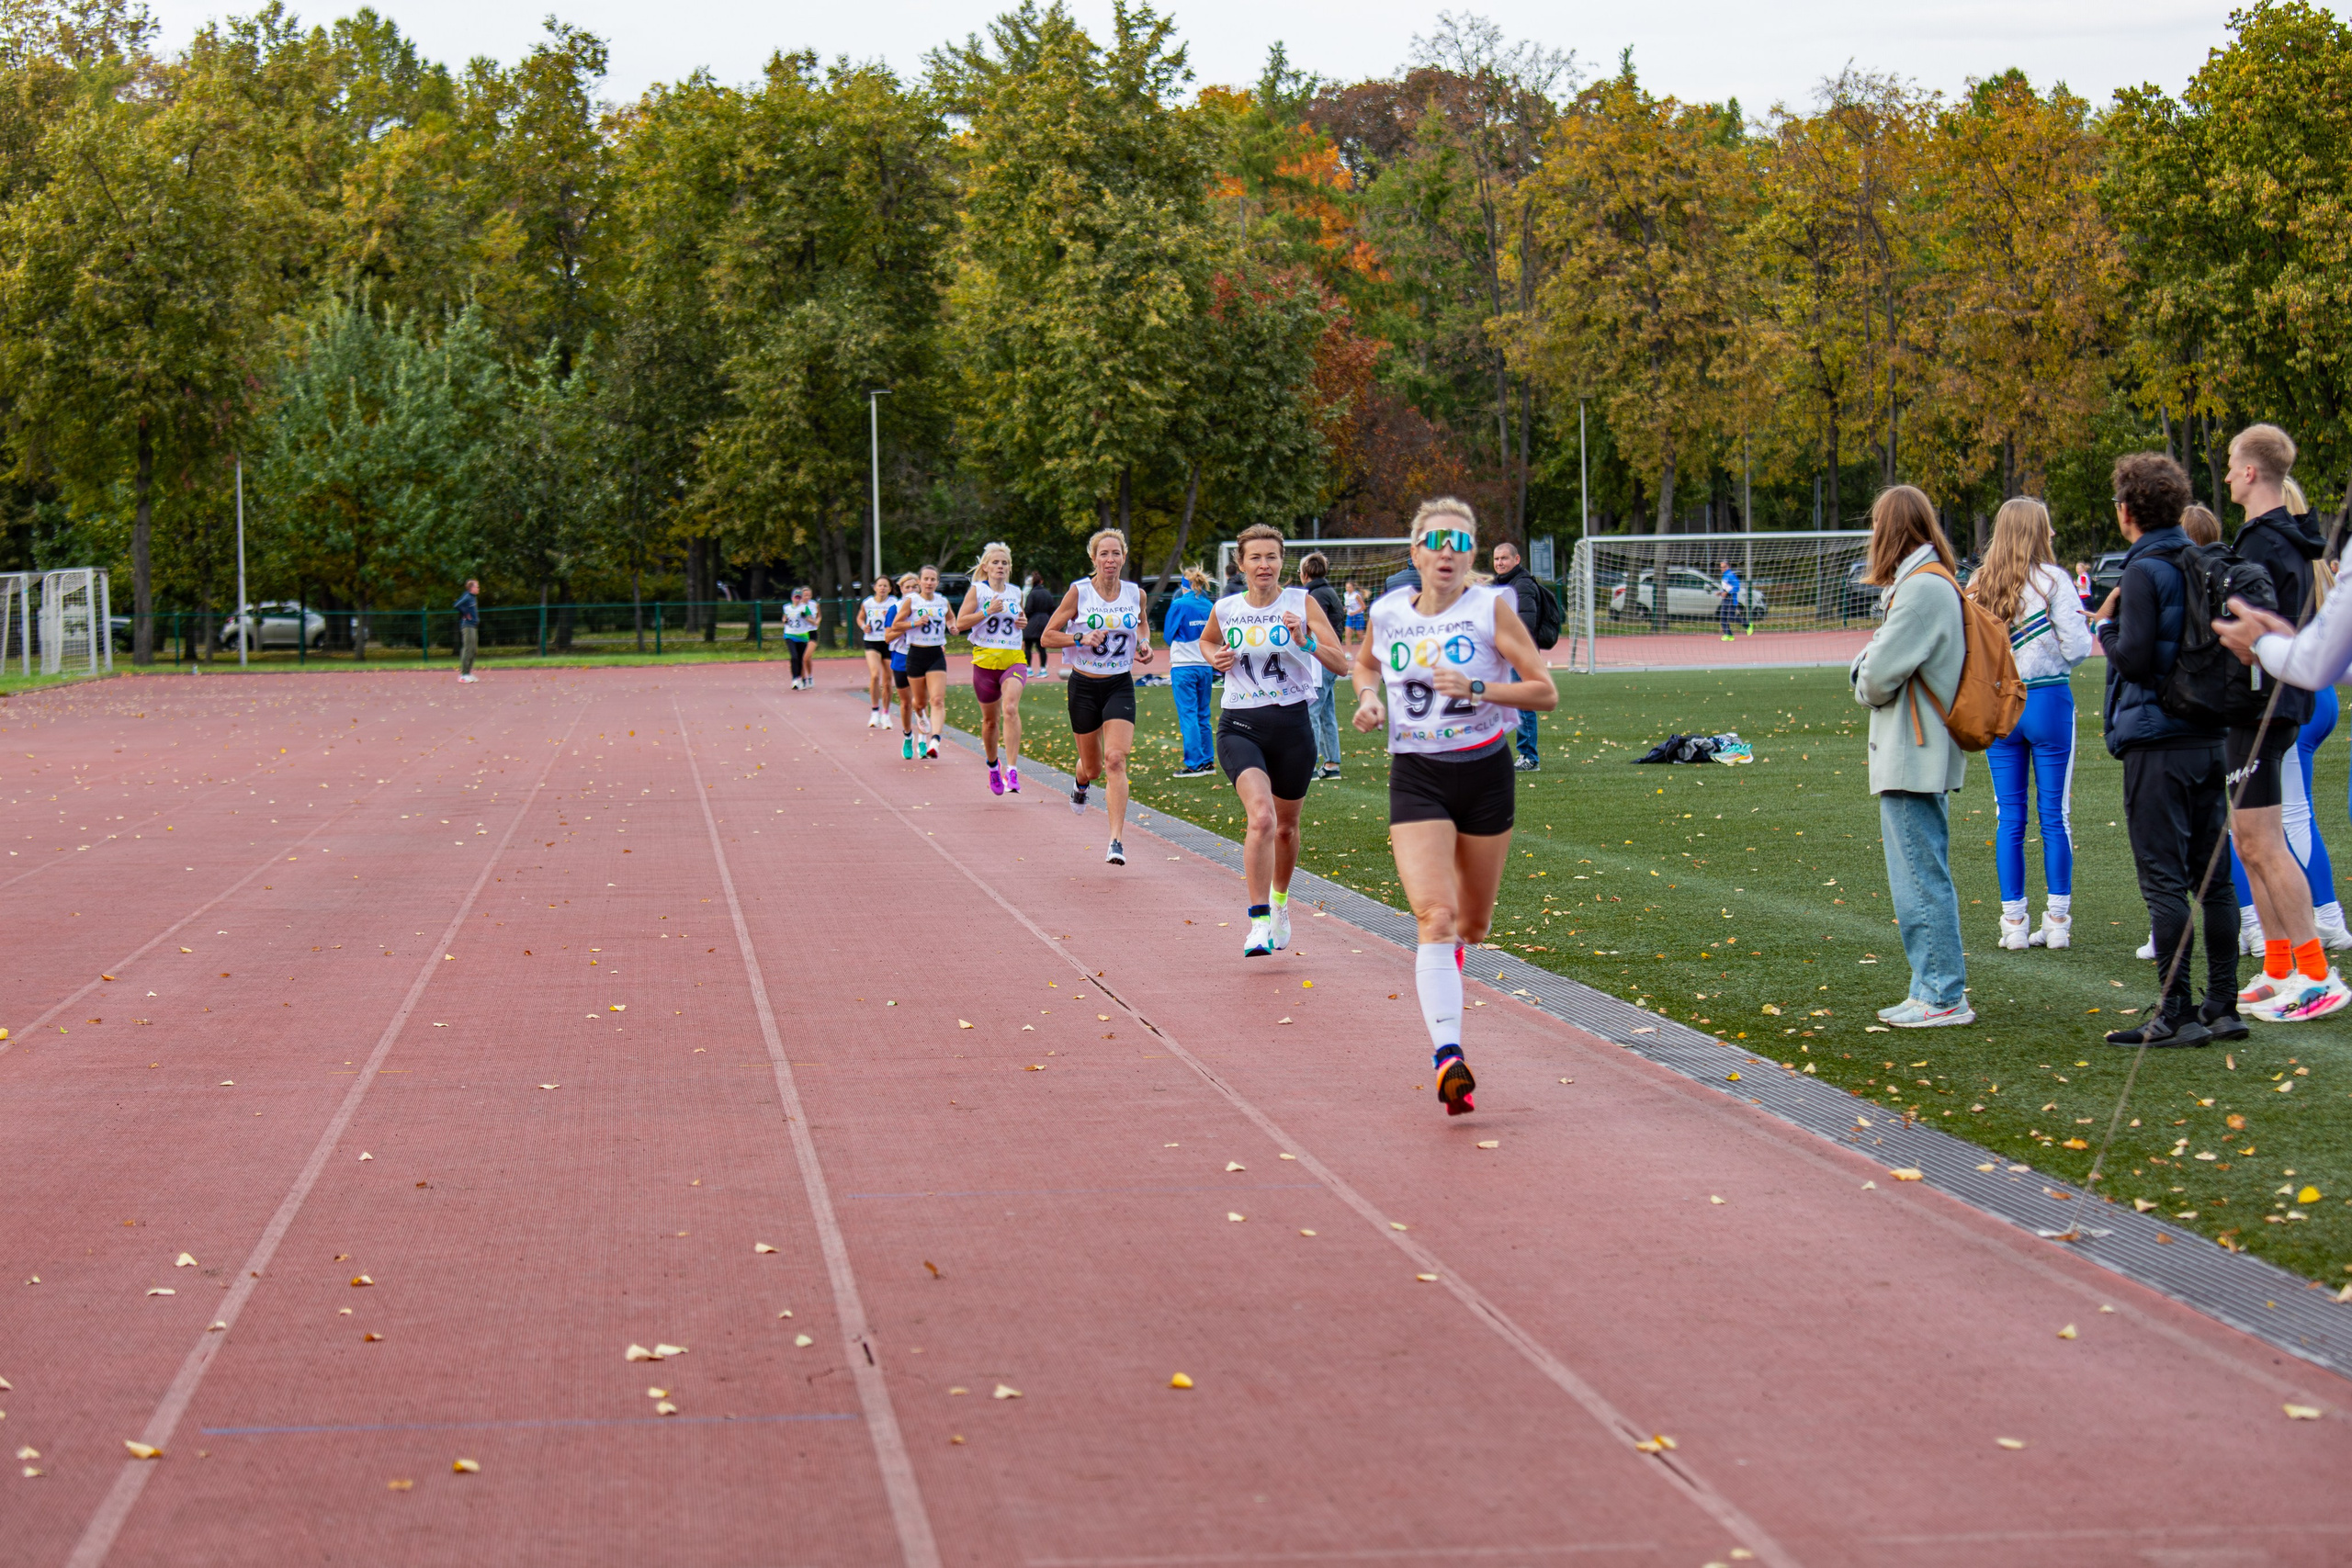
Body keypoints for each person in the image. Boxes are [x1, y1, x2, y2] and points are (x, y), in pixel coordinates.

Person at [1353, 499, 1557, 1116]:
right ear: (1415, 552)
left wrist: (1476, 687)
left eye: (1459, 541)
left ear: (1471, 555)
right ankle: (1448, 1054)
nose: (1447, 550)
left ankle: (1452, 960)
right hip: (1416, 774)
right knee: (1434, 917)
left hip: (1486, 773)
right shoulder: (1387, 612)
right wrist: (1368, 698)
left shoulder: (1491, 609)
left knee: (1472, 923)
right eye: (1435, 540)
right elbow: (1364, 662)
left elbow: (1544, 692)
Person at [2207, 425, 2349, 1021]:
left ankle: (2316, 973)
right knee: (2247, 839)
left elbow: (2271, 633)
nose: (2225, 474)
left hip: (2265, 705)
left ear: (2249, 473)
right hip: (2254, 703)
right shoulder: (2262, 537)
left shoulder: (2270, 543)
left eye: (2232, 464)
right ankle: (2279, 964)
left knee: (2264, 841)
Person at [2093, 452, 2233, 1046]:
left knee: (2163, 881)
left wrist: (2103, 628)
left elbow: (2137, 656)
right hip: (2209, 735)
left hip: (2157, 740)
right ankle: (2222, 1004)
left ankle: (2174, 1011)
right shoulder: (2202, 559)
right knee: (2215, 880)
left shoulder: (2144, 569)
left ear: (2128, 511)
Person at [1849, 486, 1974, 1029]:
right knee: (1920, 871)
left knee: (1920, 876)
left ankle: (1944, 992)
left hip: (1913, 750)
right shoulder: (1929, 582)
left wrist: (1861, 672)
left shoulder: (1921, 589)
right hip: (1917, 747)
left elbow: (1874, 677)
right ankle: (1930, 985)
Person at [1204, 526, 1353, 955]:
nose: (1263, 565)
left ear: (1281, 562)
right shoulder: (1227, 607)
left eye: (1271, 557)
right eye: (1255, 558)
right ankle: (1257, 922)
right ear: (1241, 564)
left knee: (1286, 828)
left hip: (1292, 727)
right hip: (1240, 726)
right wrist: (1213, 656)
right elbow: (1208, 639)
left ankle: (1281, 902)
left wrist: (1306, 641)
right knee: (1263, 818)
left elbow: (1341, 663)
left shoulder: (1301, 603)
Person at [1971, 498, 2092, 951]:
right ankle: (2057, 921)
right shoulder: (2054, 580)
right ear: (2036, 532)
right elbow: (2078, 648)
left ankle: (2013, 924)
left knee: (2009, 816)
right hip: (2048, 701)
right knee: (2054, 815)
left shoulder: (1980, 582)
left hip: (2001, 706)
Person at [1044, 529, 1155, 864]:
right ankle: (1080, 783)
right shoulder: (1079, 592)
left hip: (1119, 684)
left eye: (1115, 554)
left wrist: (1145, 644)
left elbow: (1142, 627)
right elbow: (1048, 636)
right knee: (1092, 768)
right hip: (1084, 686)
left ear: (1123, 557)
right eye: (1103, 554)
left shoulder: (1136, 594)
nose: (1110, 560)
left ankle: (1116, 841)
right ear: (1093, 559)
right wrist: (1080, 637)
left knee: (1116, 760)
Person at [954, 542, 1030, 795]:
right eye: (996, 562)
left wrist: (1022, 621)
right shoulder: (977, 590)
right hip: (985, 661)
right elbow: (960, 622)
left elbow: (1018, 621)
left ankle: (1012, 769)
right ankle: (993, 766)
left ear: (1010, 568)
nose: (1001, 566)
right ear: (985, 567)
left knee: (1010, 708)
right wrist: (986, 611)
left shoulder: (1016, 592)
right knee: (989, 722)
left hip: (1013, 659)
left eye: (1005, 563)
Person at [1487, 541, 1545, 773]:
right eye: (1496, 559)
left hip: (1518, 655)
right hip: (1499, 654)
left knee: (1522, 704)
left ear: (1516, 560)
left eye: (1504, 558)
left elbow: (1526, 623)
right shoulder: (1495, 584)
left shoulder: (1522, 585)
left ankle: (1529, 757)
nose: (1500, 563)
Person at [1298, 551, 1348, 782]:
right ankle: (1332, 762)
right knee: (1327, 711)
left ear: (1305, 573)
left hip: (1322, 659)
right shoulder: (1329, 592)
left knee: (1312, 712)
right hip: (1330, 658)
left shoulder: (1313, 596)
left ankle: (1310, 764)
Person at [1163, 568, 1216, 777]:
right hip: (1205, 665)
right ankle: (1207, 761)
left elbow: (1168, 635)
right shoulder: (1209, 605)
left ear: (1183, 585)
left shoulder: (1179, 604)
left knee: (1188, 714)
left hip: (1184, 665)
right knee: (1203, 715)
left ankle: (1194, 764)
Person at [898, 564, 952, 761]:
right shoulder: (911, 601)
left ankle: (935, 742)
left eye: (933, 579)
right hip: (915, 654)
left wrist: (953, 627)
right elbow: (897, 624)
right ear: (919, 582)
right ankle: (920, 717)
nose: (929, 582)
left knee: (937, 700)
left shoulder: (943, 601)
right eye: (926, 579)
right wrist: (915, 623)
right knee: (919, 703)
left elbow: (951, 619)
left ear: (937, 582)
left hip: (936, 653)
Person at [856, 576, 897, 728]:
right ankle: (874, 711)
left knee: (887, 681)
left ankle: (886, 714)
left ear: (890, 588)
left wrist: (892, 617)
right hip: (872, 641)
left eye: (885, 586)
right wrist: (863, 626)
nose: (882, 588)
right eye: (880, 585)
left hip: (888, 641)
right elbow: (860, 618)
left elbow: (901, 618)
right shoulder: (868, 603)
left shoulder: (894, 603)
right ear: (875, 587)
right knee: (875, 675)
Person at [888, 571, 920, 750]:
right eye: (908, 587)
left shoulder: (927, 606)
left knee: (922, 702)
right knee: (907, 703)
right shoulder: (895, 608)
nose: (912, 590)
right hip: (901, 656)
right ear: (901, 589)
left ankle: (923, 739)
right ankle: (908, 735)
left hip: (922, 655)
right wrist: (909, 624)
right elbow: (887, 636)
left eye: (915, 586)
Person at [781, 586, 820, 690]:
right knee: (795, 657)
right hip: (790, 634)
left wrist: (810, 620)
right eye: (795, 597)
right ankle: (796, 679)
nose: (797, 599)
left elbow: (813, 619)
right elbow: (784, 617)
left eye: (799, 597)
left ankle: (806, 677)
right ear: (792, 597)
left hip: (804, 635)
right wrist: (785, 621)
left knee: (803, 658)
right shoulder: (787, 607)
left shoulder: (807, 607)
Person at [1022, 570, 1057, 678]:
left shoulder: (1032, 594)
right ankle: (1043, 669)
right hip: (1045, 622)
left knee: (1028, 646)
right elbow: (1052, 609)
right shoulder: (1047, 593)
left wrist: (1026, 619)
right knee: (1042, 647)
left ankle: (1028, 669)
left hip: (1032, 622)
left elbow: (1028, 609)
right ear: (1041, 581)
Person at [454, 579, 481, 682]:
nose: (478, 589)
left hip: (473, 626)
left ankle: (468, 672)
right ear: (471, 588)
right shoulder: (467, 596)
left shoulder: (473, 598)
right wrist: (465, 613)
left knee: (474, 650)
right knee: (468, 649)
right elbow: (457, 604)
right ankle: (463, 674)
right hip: (467, 626)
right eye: (477, 587)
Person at [1716, 558, 1750, 640]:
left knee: (1731, 617)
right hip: (1725, 599)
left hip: (1731, 599)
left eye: (1724, 567)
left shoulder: (1731, 575)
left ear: (1728, 566)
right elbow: (1726, 588)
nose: (1722, 569)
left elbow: (1737, 587)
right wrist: (1721, 592)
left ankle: (1747, 625)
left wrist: (1727, 593)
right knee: (1723, 617)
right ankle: (1729, 635)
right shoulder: (1725, 575)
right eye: (1721, 567)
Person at [1343, 581, 1367, 649]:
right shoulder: (1346, 594)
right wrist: (1344, 609)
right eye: (1346, 587)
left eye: (1349, 587)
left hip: (1358, 616)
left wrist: (1354, 612)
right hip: (1349, 617)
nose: (1347, 589)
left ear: (1353, 588)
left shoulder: (1356, 595)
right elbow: (1347, 605)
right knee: (1347, 635)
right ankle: (1348, 654)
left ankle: (1371, 641)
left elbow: (1363, 607)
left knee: (1360, 636)